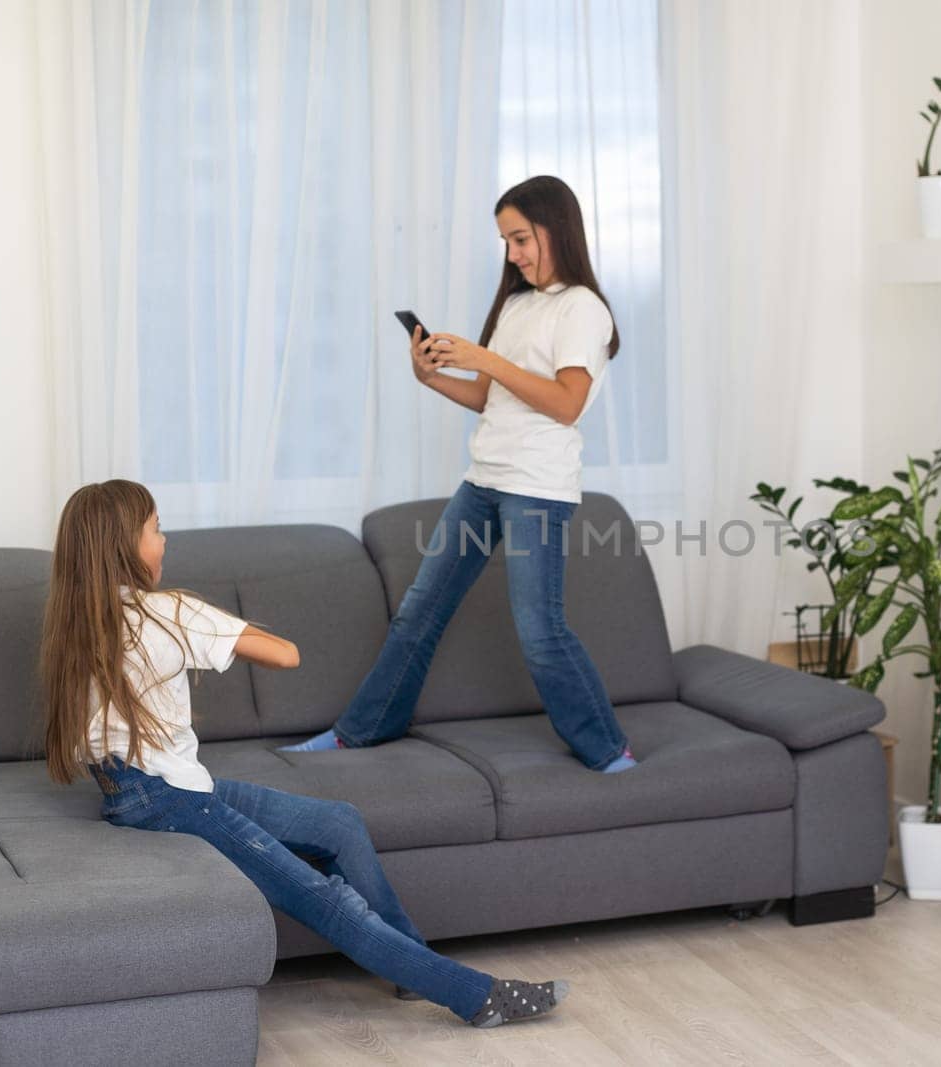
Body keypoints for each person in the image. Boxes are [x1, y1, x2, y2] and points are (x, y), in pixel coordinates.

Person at [40, 479, 567, 1028]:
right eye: (155, 529)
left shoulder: (78, 623)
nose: (165, 540)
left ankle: (416, 969)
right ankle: (476, 997)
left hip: (146, 791)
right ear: (126, 544)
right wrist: (211, 624)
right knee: (327, 900)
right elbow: (285, 654)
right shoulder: (169, 612)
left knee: (339, 823)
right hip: (169, 800)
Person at [284, 175, 635, 773]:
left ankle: (608, 750)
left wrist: (484, 358)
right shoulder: (518, 303)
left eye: (521, 238)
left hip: (537, 490)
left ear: (557, 228)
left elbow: (566, 403)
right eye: (505, 241)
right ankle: (361, 730)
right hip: (484, 480)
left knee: (540, 632)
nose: (513, 254)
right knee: (419, 610)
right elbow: (487, 399)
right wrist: (432, 377)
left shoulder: (583, 308)